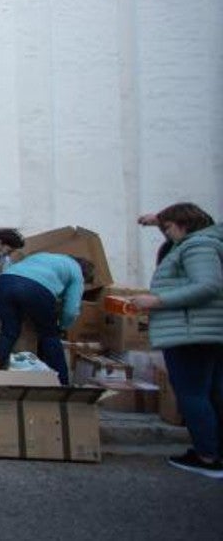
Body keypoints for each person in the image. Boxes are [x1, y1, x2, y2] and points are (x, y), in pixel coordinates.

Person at [127, 203, 223, 478]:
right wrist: (159, 220)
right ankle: (214, 452)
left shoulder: (197, 246)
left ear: (184, 225)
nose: (166, 233)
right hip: (205, 330)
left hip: (191, 331)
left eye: (168, 227)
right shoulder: (207, 242)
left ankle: (207, 456)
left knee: (192, 393)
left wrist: (157, 300)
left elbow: (208, 285)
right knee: (212, 392)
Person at [0, 252, 93, 385]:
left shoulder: (47, 256)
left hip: (6, 280)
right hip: (36, 287)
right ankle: (62, 383)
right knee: (49, 336)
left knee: (8, 332)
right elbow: (71, 310)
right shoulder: (77, 272)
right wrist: (62, 326)